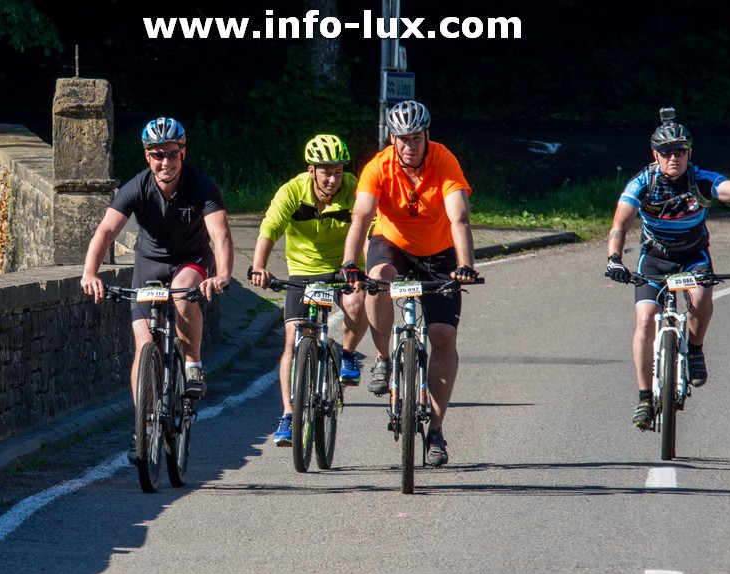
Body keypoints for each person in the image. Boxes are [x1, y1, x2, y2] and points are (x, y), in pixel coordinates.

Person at [606, 107, 730, 430]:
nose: (673, 158)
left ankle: (694, 350)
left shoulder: (700, 180)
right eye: (666, 152)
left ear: (689, 153)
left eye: (680, 152)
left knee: (702, 297)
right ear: (655, 155)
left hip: (692, 257)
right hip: (655, 258)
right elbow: (620, 224)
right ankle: (644, 398)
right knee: (645, 319)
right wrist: (614, 259)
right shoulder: (643, 183)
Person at [81, 116, 233, 454]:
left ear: (183, 153)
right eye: (157, 155)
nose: (166, 162)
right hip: (149, 262)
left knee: (183, 294)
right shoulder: (136, 187)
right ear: (147, 156)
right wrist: (90, 272)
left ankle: (192, 363)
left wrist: (222, 274)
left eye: (172, 154)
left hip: (191, 258)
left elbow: (220, 234)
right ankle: (144, 424)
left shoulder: (202, 187)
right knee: (144, 344)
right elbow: (106, 230)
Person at [340, 100, 479, 467]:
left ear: (426, 136)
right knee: (377, 280)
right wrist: (349, 263)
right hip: (393, 245)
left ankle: (436, 430)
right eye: (403, 139)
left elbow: (459, 217)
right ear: (392, 138)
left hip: (440, 252)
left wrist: (465, 264)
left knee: (443, 336)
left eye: (416, 138)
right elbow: (361, 216)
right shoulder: (378, 166)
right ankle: (383, 358)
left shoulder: (444, 160)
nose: (410, 146)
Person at [250, 134, 368, 446]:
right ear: (311, 170)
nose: (333, 180)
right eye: (326, 173)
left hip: (344, 266)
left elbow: (369, 227)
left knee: (357, 305)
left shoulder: (353, 189)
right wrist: (259, 265)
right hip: (303, 270)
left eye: (338, 172)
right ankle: (288, 415)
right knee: (293, 340)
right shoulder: (292, 190)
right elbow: (270, 227)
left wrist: (365, 268)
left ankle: (348, 355)